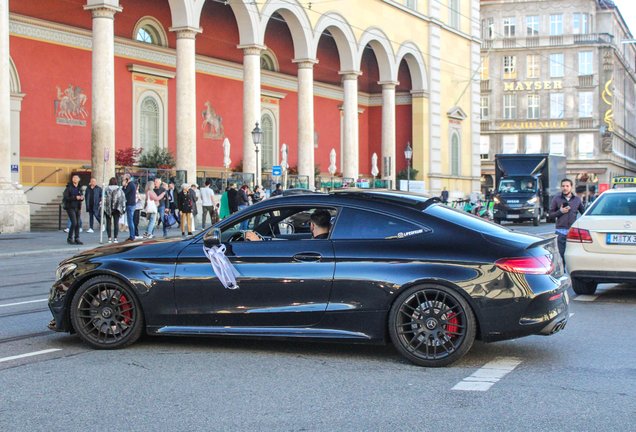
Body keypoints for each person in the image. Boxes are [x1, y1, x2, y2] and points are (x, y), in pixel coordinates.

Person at [549, 178, 586, 266]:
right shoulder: (556, 199)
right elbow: (550, 215)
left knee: (572, 255)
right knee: (560, 255)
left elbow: (584, 213)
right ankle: (562, 273)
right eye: (563, 186)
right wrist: (560, 211)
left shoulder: (577, 199)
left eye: (567, 186)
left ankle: (571, 272)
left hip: (573, 232)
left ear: (571, 187)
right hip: (560, 232)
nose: (565, 188)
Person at [245, 209, 331, 241]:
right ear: (330, 226)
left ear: (312, 225)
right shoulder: (326, 242)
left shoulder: (312, 244)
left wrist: (259, 242)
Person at [63, 173, 84, 245]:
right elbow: (65, 197)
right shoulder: (69, 187)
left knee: (78, 223)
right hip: (70, 207)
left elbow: (81, 195)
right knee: (74, 222)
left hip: (77, 207)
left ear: (79, 179)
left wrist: (81, 198)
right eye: (73, 178)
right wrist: (75, 198)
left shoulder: (79, 187)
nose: (74, 179)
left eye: (76, 178)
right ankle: (70, 238)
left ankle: (77, 238)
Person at [103, 177, 126, 243]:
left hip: (108, 207)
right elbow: (122, 199)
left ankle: (109, 238)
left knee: (108, 223)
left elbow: (103, 198)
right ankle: (115, 238)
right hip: (117, 208)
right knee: (116, 223)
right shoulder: (119, 189)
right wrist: (123, 208)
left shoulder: (106, 189)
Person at [122, 173, 137, 242]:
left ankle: (132, 236)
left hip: (130, 204)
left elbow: (124, 192)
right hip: (132, 204)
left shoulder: (130, 185)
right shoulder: (132, 185)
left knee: (130, 221)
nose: (123, 180)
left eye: (124, 179)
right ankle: (132, 235)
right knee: (130, 220)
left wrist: (123, 186)